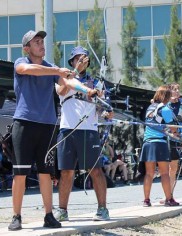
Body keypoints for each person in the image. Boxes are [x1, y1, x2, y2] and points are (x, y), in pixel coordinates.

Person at [9, 30, 96, 231]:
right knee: (20, 174)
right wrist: (58, 71)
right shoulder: (21, 62)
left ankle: (49, 215)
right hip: (24, 123)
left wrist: (86, 89)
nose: (41, 44)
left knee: (45, 173)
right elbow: (29, 70)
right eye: (36, 42)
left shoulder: (51, 68)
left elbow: (68, 82)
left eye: (42, 41)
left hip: (48, 125)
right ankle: (16, 216)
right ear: (27, 48)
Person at [54, 46, 113, 222]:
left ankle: (103, 209)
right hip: (67, 129)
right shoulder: (64, 77)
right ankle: (62, 210)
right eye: (77, 58)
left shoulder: (95, 83)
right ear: (71, 61)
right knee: (66, 172)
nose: (81, 61)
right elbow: (61, 91)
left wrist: (106, 113)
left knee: (95, 170)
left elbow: (102, 107)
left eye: (83, 58)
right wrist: (74, 71)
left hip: (89, 130)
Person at [139, 85, 179, 207]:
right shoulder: (165, 109)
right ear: (166, 97)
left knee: (149, 173)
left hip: (147, 143)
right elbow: (173, 128)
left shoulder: (150, 108)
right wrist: (176, 132)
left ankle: (146, 200)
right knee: (165, 173)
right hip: (159, 143)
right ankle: (169, 199)